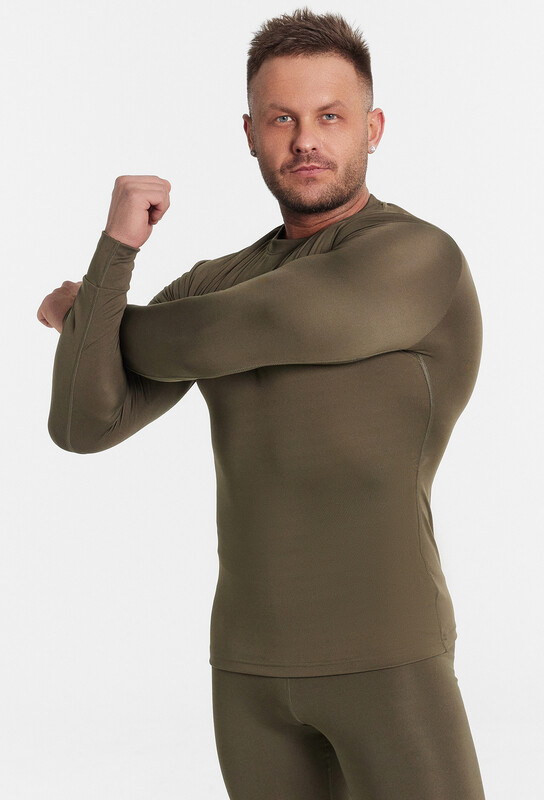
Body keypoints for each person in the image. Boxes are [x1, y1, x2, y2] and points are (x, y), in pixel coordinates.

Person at [38, 9, 486, 800]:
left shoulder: (416, 258)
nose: (305, 140)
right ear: (249, 133)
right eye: (282, 118)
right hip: (247, 672)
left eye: (330, 116)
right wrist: (116, 254)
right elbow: (84, 422)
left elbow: (261, 323)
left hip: (388, 657)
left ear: (373, 128)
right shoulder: (216, 281)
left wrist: (91, 317)